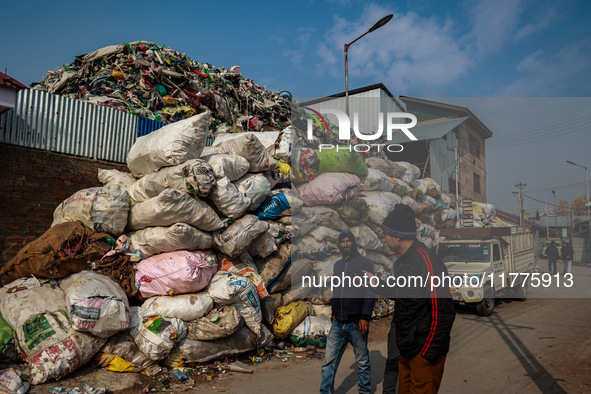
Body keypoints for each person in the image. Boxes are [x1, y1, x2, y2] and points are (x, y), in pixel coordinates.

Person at [380, 204, 456, 394]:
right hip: (407, 350)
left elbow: (443, 312)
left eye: (385, 234)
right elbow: (401, 294)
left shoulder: (428, 262)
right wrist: (375, 285)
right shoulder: (401, 262)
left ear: (398, 236)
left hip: (424, 352)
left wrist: (427, 354)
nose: (383, 239)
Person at [320, 230, 375, 394]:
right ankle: (325, 392)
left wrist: (365, 316)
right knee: (329, 360)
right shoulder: (337, 265)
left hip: (356, 322)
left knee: (362, 361)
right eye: (342, 241)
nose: (345, 244)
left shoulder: (364, 264)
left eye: (348, 241)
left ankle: (364, 391)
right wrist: (334, 310)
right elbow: (337, 290)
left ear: (353, 243)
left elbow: (370, 291)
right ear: (339, 245)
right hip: (338, 321)